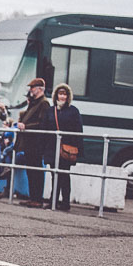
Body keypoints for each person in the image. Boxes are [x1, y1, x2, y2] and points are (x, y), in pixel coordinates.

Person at [42, 83, 83, 211]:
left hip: (66, 148)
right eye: (60, 93)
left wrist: (78, 149)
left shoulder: (73, 111)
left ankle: (65, 202)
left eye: (65, 94)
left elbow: (78, 130)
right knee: (54, 175)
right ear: (56, 95)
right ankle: (53, 201)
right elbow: (44, 128)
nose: (62, 96)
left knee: (64, 175)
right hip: (52, 148)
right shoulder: (50, 110)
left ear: (68, 96)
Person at [15, 77, 50, 208]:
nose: (31, 90)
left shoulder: (43, 103)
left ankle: (37, 198)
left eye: (33, 88)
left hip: (36, 142)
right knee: (31, 170)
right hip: (30, 142)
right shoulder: (35, 102)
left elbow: (42, 123)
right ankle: (33, 197)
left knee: (36, 170)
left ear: (39, 89)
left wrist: (26, 126)